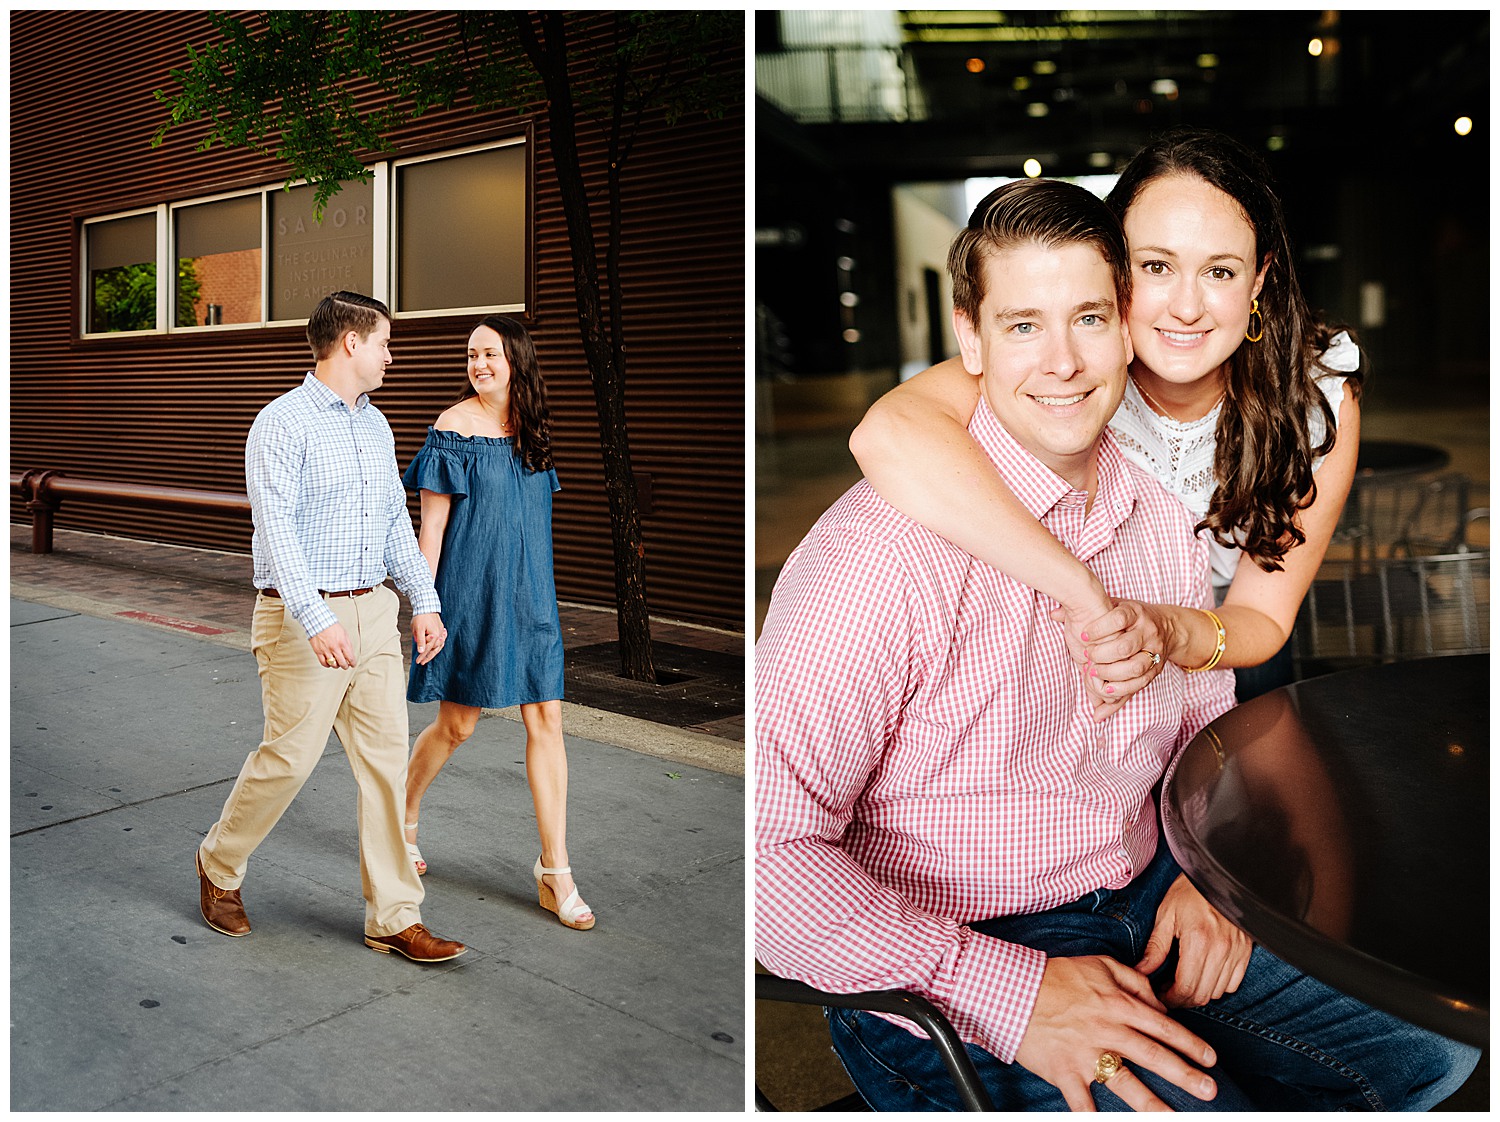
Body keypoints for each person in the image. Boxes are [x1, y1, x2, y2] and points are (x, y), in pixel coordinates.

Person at [754, 179, 1477, 1111]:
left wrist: (1210, 879)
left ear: (1125, 327)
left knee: (1431, 1052)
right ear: (968, 339)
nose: (1062, 361)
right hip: (958, 941)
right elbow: (770, 857)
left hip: (1144, 898)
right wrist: (1010, 994)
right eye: (1022, 326)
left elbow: (1200, 747)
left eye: (1089, 318)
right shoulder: (877, 561)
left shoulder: (1156, 518)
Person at [849, 128, 1362, 710]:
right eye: (1156, 267)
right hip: (1075, 641)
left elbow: (1263, 616)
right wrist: (1085, 596)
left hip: (1228, 648)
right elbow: (888, 434)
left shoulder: (1314, 397)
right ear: (1115, 270)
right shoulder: (1068, 369)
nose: (1187, 307)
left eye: (1219, 271)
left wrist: (1165, 630)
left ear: (1259, 278)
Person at [196, 290, 467, 964]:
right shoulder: (281, 424)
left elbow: (394, 527)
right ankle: (218, 864)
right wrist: (314, 616)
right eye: (383, 343)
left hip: (373, 611)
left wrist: (423, 601)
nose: (389, 356)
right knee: (289, 759)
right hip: (300, 614)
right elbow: (277, 533)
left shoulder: (376, 426)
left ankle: (394, 917)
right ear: (350, 342)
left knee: (383, 766)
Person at [399, 315, 593, 931]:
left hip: (532, 597)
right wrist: (422, 603)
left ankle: (554, 870)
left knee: (548, 717)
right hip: (468, 595)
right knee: (457, 725)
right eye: (471, 355)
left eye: (489, 353)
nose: (478, 364)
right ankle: (401, 815)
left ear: (516, 359)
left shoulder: (532, 429)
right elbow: (430, 529)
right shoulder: (452, 429)